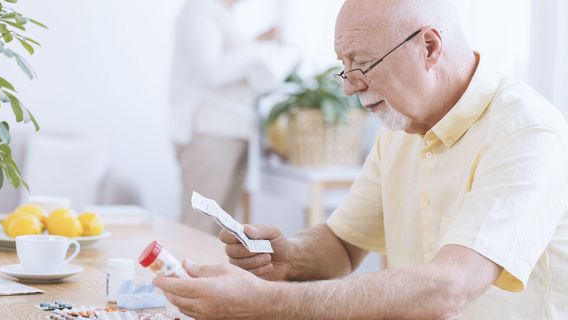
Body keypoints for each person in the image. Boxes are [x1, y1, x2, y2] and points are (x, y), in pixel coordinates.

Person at [156, 0, 568, 318]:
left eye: (363, 65)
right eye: (345, 68)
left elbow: (448, 289)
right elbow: (343, 244)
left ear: (429, 46)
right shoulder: (402, 126)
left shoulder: (527, 133)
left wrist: (267, 301)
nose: (351, 88)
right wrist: (291, 257)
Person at [169, 0, 285, 234]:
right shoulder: (200, 10)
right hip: (210, 133)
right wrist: (258, 47)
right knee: (199, 228)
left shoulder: (223, 15)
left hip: (230, 133)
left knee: (221, 230)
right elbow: (210, 72)